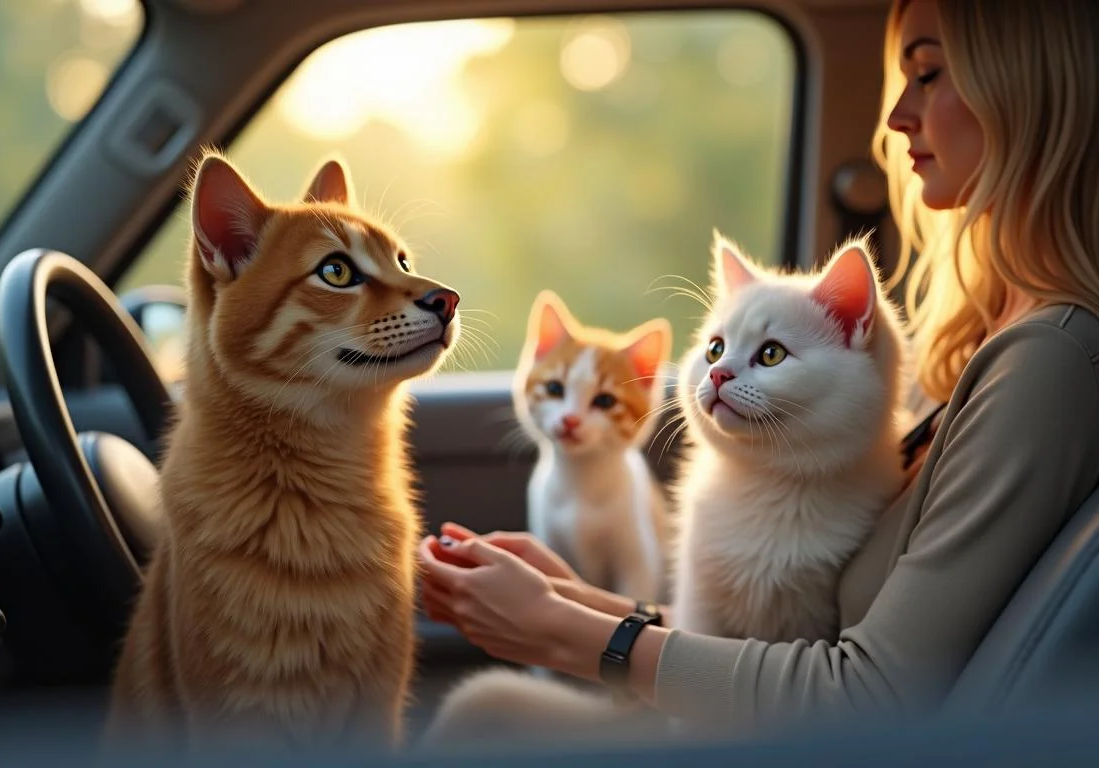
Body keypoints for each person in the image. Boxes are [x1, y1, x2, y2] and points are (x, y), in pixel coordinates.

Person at [418, 0, 1099, 740]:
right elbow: (775, 646)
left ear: (1029, 88)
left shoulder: (1048, 361)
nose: (897, 114)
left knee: (477, 721)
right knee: (478, 711)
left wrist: (571, 635)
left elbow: (867, 690)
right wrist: (571, 599)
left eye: (929, 74)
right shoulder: (983, 341)